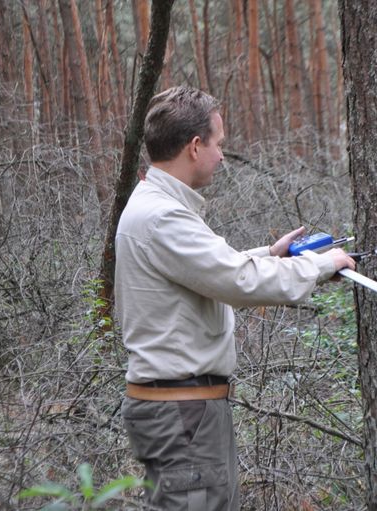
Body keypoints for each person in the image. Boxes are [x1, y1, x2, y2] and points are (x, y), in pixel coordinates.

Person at [114, 86, 355, 510]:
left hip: (181, 406)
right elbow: (237, 281)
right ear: (194, 146)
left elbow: (207, 271)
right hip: (181, 410)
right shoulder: (163, 216)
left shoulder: (158, 206)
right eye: (218, 144)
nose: (222, 155)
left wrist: (270, 255)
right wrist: (320, 265)